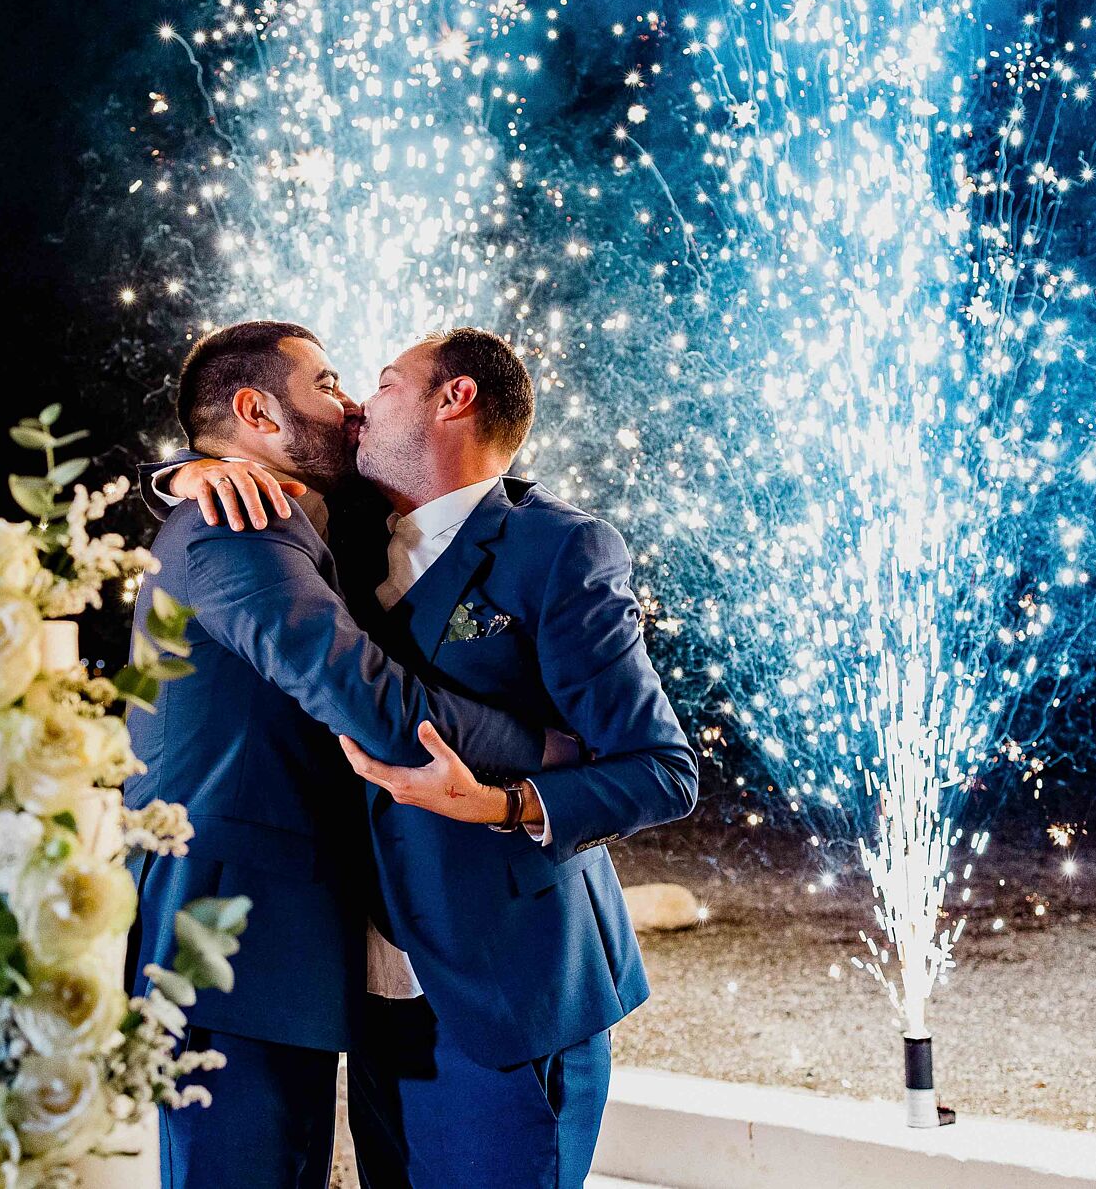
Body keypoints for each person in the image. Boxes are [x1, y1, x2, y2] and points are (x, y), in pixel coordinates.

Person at [154, 325, 698, 1188]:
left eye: (377, 382)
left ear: (455, 399)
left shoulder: (557, 547)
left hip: (504, 988)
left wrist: (511, 797)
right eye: (337, 384)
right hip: (378, 1000)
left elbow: (663, 769)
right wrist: (187, 468)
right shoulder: (339, 528)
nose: (359, 406)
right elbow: (321, 646)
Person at [124, 320, 553, 1189]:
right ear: (256, 411)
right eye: (324, 385)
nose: (353, 401)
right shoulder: (230, 525)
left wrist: (161, 472)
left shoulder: (302, 513)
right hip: (227, 935)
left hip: (280, 938)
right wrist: (545, 747)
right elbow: (371, 705)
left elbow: (466, 496)